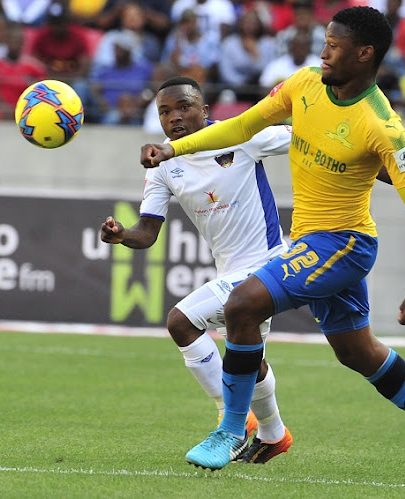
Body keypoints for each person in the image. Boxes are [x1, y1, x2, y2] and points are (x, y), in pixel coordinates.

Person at [140, 6, 405, 488]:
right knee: (358, 353)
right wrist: (174, 149)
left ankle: (232, 430)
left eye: (334, 45)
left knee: (244, 303)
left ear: (364, 55)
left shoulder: (381, 125)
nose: (323, 51)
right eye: (324, 41)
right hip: (311, 241)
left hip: (346, 243)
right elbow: (242, 127)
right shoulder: (303, 85)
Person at [101, 76, 294, 464]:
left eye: (184, 106)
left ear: (205, 111)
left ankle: (230, 418)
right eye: (165, 111)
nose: (174, 117)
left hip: (268, 264)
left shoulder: (239, 135)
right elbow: (147, 232)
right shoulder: (163, 167)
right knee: (248, 360)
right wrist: (122, 236)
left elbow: (304, 137)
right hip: (230, 270)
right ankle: (275, 435)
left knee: (181, 321)